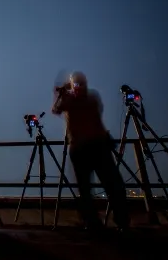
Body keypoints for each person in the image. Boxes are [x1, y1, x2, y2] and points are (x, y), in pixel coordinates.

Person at [52, 71, 129, 230]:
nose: (80, 87)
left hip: (92, 146)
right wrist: (63, 94)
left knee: (111, 185)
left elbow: (58, 109)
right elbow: (57, 109)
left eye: (81, 84)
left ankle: (113, 221)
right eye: (77, 84)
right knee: (90, 188)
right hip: (88, 147)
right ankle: (97, 222)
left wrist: (63, 92)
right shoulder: (85, 97)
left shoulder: (86, 98)